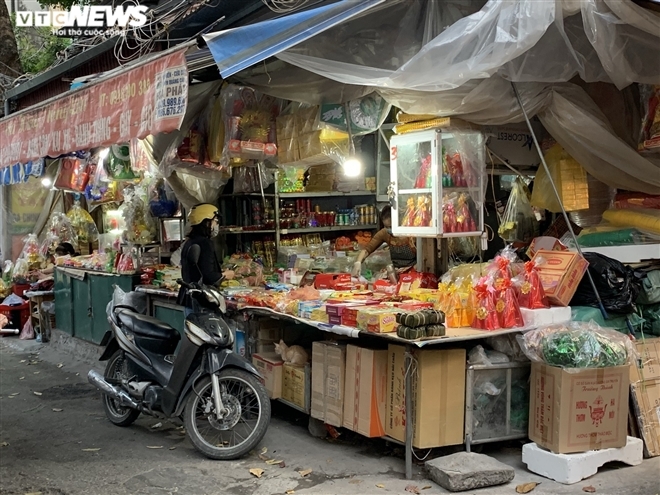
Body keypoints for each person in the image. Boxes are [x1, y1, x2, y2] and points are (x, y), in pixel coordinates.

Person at [352, 205, 417, 277]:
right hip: (396, 272)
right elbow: (367, 250)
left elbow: (423, 257)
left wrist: (416, 268)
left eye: (391, 226)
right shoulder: (385, 233)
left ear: (398, 222)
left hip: (413, 271)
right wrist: (358, 263)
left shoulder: (411, 234)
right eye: (386, 227)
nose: (389, 229)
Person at [180, 203, 224, 286]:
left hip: (189, 293)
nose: (216, 225)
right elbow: (208, 276)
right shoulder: (205, 243)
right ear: (207, 223)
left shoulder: (189, 242)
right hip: (201, 295)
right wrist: (225, 275)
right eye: (215, 221)